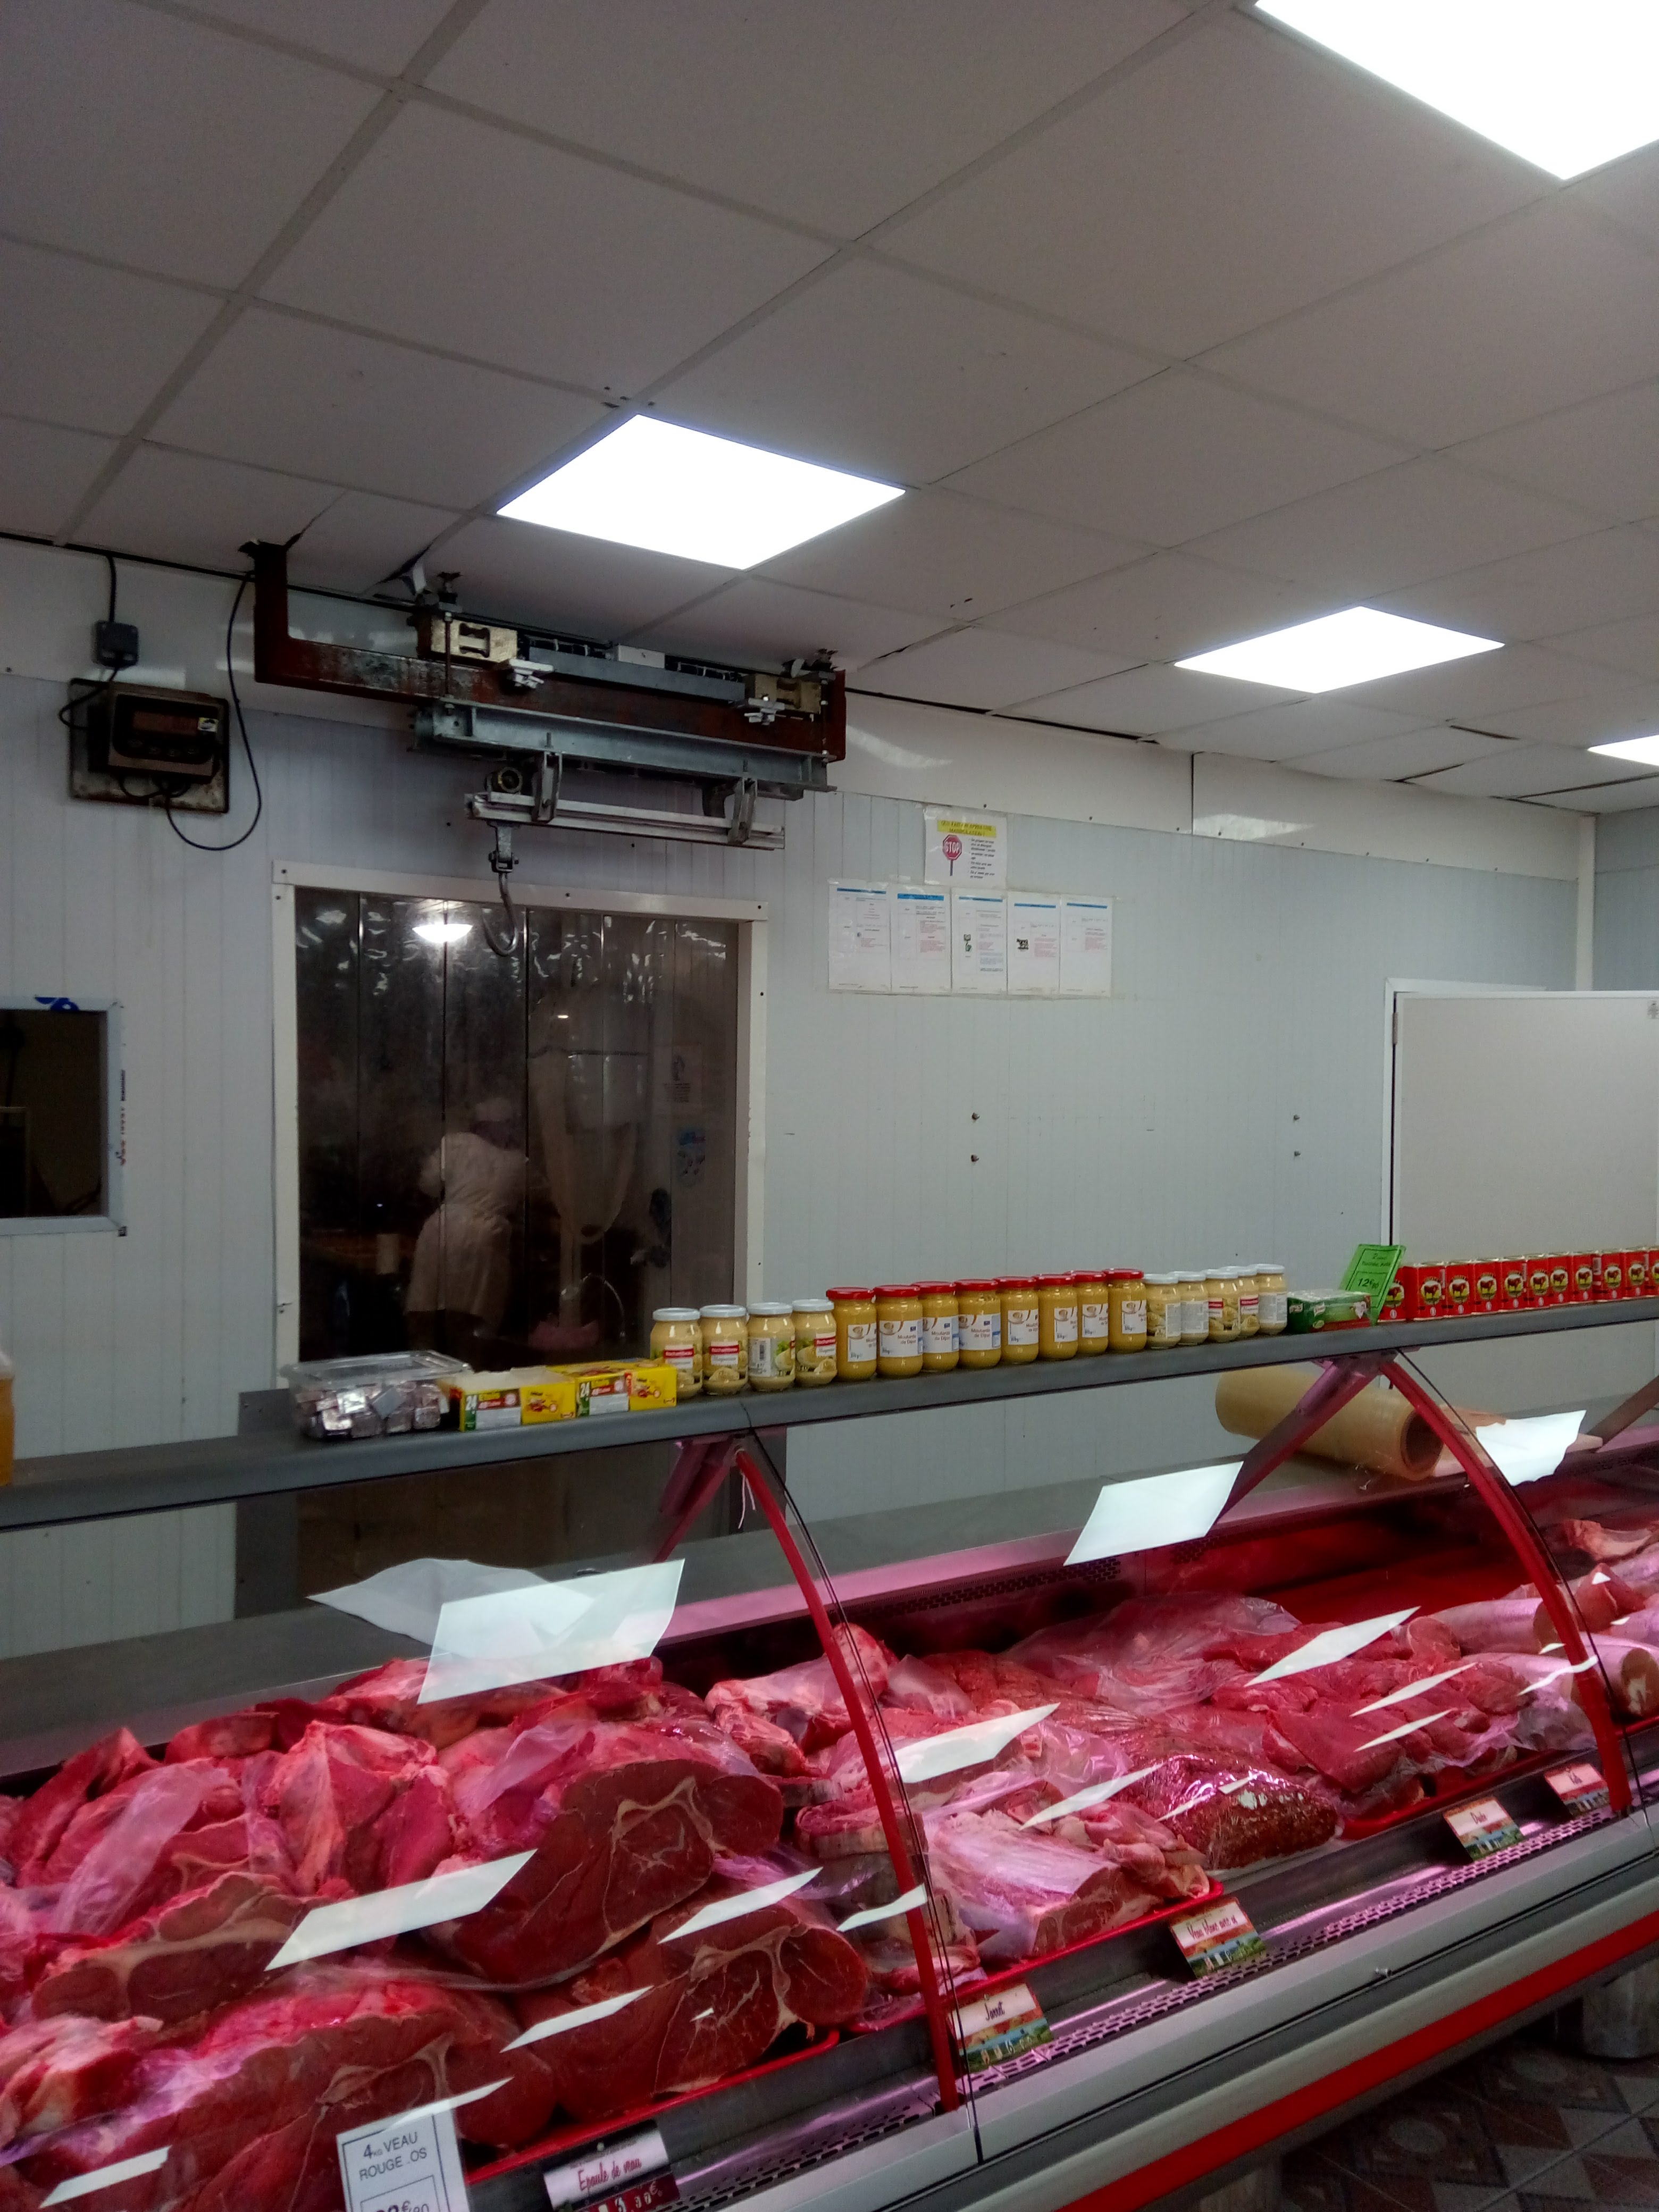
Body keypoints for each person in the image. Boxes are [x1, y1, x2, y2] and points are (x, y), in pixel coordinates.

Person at [404, 1097, 525, 1364]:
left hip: (443, 1229)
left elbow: (428, 1185)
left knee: (426, 1311)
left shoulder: (454, 1143)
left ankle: (424, 1374)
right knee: (473, 1316)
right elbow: (541, 1195)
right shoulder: (518, 1161)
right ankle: (468, 1374)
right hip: (486, 1236)